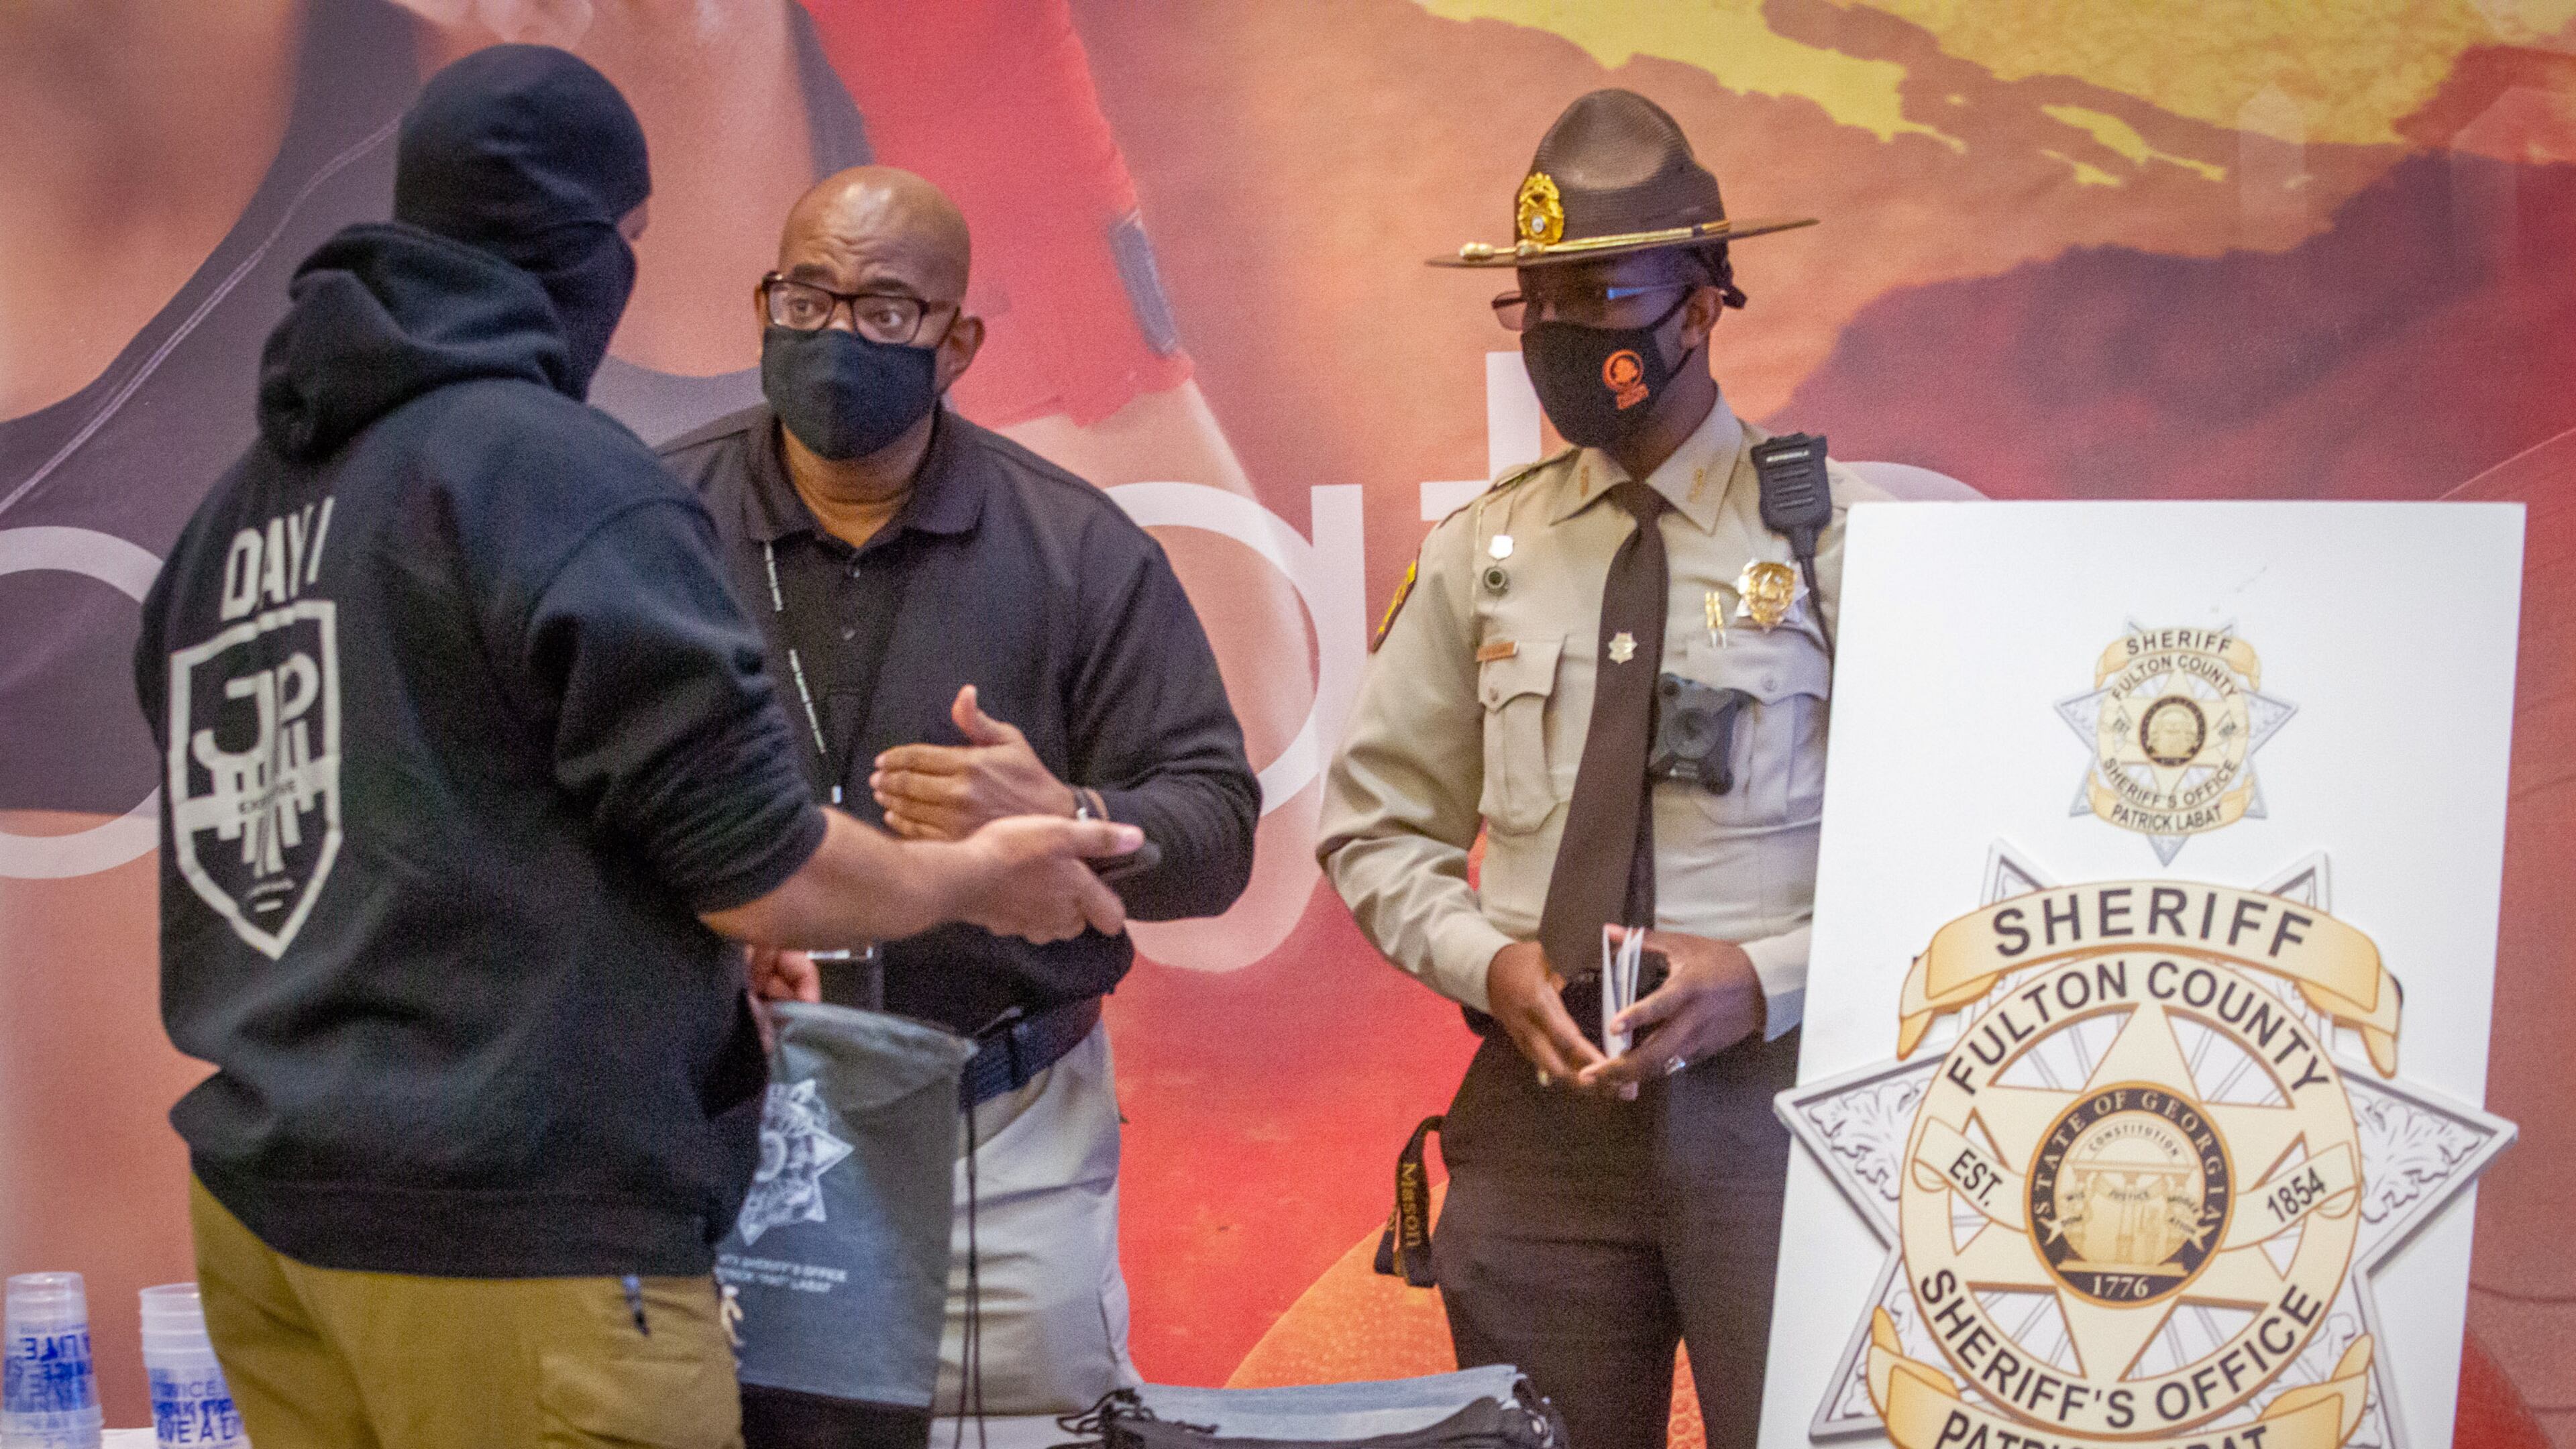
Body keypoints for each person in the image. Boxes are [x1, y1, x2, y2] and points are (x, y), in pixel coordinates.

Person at [133, 48, 1140, 1449]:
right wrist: (972, 873)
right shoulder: (558, 478)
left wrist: (672, 942)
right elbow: (765, 875)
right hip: (514, 1236)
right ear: (590, 241)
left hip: (272, 1219)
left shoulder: (240, 513)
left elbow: (408, 825)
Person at [1316, 91, 1888, 1449]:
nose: (1565, 338)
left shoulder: (1840, 543)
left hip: (1786, 1121)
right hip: (1537, 1125)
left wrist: (1764, 980)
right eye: (1536, 305)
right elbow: (1374, 832)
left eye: (1598, 296)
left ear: (1699, 308)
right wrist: (1491, 966)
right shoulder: (1483, 553)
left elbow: (1955, 860)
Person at [658, 164, 1260, 1432]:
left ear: (960, 342)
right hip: (711, 1129)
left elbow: (1219, 828)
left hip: (998, 1134)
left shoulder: (1072, 546)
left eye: (885, 313)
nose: (835, 336)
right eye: (805, 299)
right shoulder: (655, 526)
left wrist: (1077, 808)